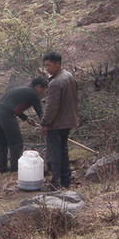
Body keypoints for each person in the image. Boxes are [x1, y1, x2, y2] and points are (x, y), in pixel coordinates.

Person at [0, 77, 49, 173]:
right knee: (16, 143)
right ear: (38, 86)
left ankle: (3, 168)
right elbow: (40, 113)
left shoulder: (22, 89)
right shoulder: (32, 93)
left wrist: (26, 118)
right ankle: (15, 168)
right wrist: (45, 125)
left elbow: (11, 106)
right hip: (6, 114)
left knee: (2, 143)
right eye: (43, 90)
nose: (42, 93)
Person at [40, 52, 79, 190]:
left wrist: (44, 123)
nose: (47, 68)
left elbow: (51, 107)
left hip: (57, 123)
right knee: (63, 151)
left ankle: (55, 182)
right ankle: (66, 180)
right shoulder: (69, 76)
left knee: (53, 154)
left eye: (49, 65)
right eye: (46, 66)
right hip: (68, 120)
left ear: (57, 64)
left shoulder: (56, 83)